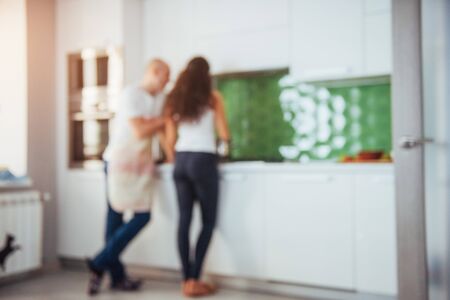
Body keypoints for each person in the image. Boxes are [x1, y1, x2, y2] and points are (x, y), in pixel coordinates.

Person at [86, 59, 170, 296]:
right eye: (166, 76)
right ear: (155, 73)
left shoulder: (160, 98)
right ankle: (115, 275)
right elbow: (140, 130)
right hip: (119, 161)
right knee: (115, 217)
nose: (167, 82)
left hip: (142, 162)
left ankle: (99, 263)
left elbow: (158, 129)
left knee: (142, 215)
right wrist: (160, 121)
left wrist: (170, 155)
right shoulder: (131, 94)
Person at [164, 57, 230, 297]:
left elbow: (170, 140)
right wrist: (226, 148)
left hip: (180, 161)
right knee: (208, 221)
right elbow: (224, 133)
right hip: (203, 160)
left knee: (184, 221)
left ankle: (186, 281)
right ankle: (195, 279)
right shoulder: (213, 98)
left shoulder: (174, 99)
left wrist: (174, 158)